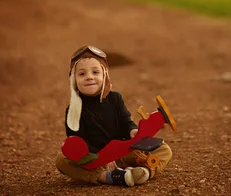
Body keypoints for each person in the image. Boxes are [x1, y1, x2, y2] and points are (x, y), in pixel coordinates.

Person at [55, 45, 173, 187]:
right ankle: (106, 177)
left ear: (104, 75)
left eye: (95, 72)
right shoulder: (73, 110)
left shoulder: (115, 98)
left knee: (163, 148)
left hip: (123, 151)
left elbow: (125, 122)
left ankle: (144, 171)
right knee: (62, 160)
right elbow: (76, 142)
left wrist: (133, 131)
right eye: (82, 74)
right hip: (96, 159)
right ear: (73, 80)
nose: (89, 77)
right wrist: (103, 158)